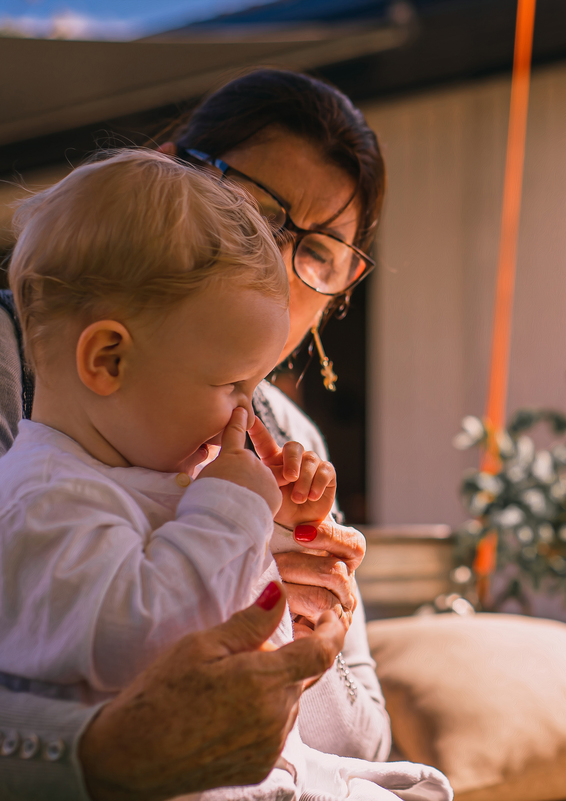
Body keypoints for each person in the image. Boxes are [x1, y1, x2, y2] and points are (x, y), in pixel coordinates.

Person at [0, 149, 452, 801]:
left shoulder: (137, 472)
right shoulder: (38, 500)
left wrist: (281, 540)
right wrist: (230, 511)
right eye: (231, 385)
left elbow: (204, 600)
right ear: (108, 359)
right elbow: (146, 638)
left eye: (257, 384)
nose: (246, 412)